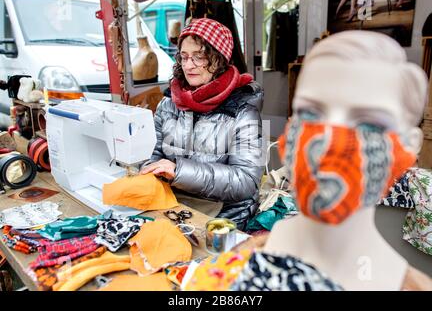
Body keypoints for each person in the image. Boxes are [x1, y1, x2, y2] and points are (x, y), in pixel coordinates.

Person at [234, 30, 432, 290]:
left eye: (368, 122)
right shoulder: (248, 256)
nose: (328, 139)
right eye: (311, 112)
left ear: (408, 145)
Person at [140, 18, 264, 230]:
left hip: (224, 214)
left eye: (199, 57)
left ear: (220, 59)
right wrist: (146, 169)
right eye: (184, 56)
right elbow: (154, 154)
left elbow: (246, 181)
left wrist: (178, 170)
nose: (188, 65)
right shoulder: (169, 103)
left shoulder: (244, 110)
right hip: (176, 204)